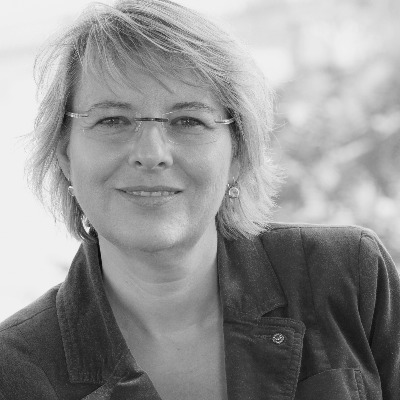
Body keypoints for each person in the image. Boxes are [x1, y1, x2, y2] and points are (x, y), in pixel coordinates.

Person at [0, 0, 399, 399]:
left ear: (238, 154)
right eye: (113, 120)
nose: (152, 153)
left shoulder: (350, 277)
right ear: (65, 154)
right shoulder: (14, 370)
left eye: (188, 121)